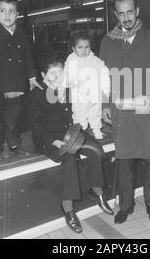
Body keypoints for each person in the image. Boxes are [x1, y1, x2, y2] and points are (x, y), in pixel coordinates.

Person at [100, 0, 150, 225]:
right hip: (121, 113)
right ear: (115, 15)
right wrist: (104, 105)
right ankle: (126, 206)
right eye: (121, 13)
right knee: (124, 162)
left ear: (137, 11)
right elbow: (103, 79)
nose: (126, 17)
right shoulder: (107, 41)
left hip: (147, 110)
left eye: (130, 11)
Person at [27, 54, 114, 234]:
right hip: (48, 138)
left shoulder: (66, 89)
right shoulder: (36, 95)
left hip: (70, 132)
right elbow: (36, 127)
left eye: (60, 72)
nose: (58, 76)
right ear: (43, 75)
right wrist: (55, 141)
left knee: (96, 150)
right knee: (69, 157)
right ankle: (68, 208)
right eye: (53, 73)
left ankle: (97, 193)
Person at [0, 0, 41, 162]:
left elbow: (28, 58)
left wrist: (32, 78)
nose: (7, 15)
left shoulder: (21, 35)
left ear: (17, 14)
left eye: (12, 11)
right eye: (3, 10)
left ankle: (14, 145)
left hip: (17, 85)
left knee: (14, 119)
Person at [64, 30, 110, 139]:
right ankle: (80, 131)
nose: (84, 51)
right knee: (79, 113)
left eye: (87, 47)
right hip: (78, 95)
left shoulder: (95, 61)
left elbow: (104, 75)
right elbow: (66, 75)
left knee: (95, 113)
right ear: (74, 48)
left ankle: (97, 130)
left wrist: (105, 91)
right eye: (80, 47)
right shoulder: (71, 60)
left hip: (94, 93)